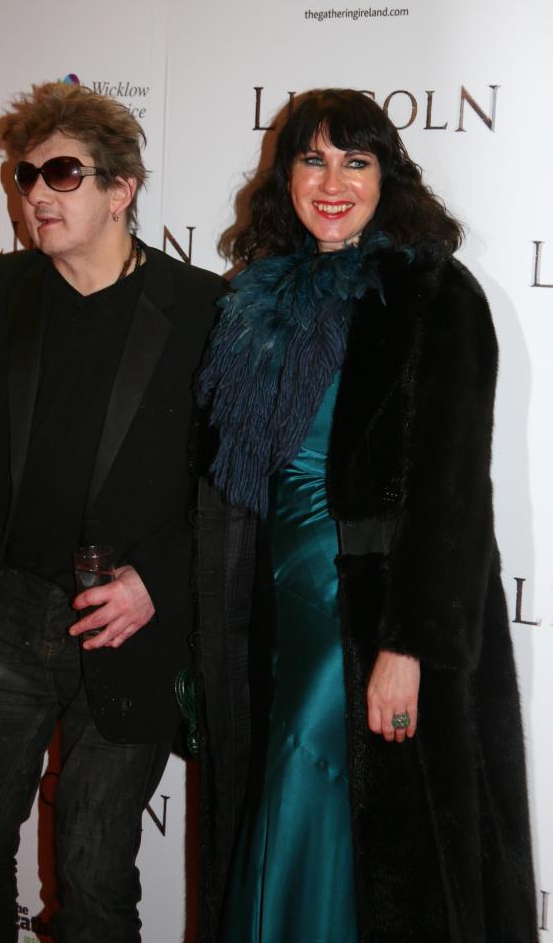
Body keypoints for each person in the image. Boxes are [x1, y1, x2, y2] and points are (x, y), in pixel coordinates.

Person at [194, 89, 537, 943]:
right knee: (277, 804)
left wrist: (406, 646)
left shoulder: (431, 292)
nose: (332, 181)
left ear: (389, 176)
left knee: (362, 837)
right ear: (285, 176)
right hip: (273, 603)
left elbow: (454, 491)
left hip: (374, 609)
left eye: (356, 160)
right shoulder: (256, 302)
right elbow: (223, 477)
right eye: (312, 159)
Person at [0, 81, 223, 943]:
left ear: (122, 189)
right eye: (25, 173)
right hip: (5, 606)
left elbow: (231, 487)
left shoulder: (205, 311)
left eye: (62, 173)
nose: (34, 192)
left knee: (92, 869)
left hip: (128, 621)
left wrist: (158, 581)